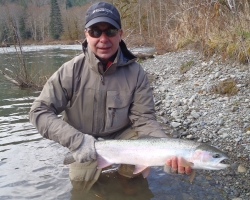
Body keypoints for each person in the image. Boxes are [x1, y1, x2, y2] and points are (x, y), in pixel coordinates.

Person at [29, 1, 191, 188]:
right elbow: (38, 112)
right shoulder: (70, 71)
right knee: (81, 185)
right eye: (96, 32)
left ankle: (127, 181)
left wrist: (166, 151)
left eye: (111, 31)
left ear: (120, 34)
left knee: (135, 181)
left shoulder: (136, 72)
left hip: (123, 137)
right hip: (84, 140)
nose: (103, 39)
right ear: (86, 35)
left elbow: (144, 118)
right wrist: (77, 142)